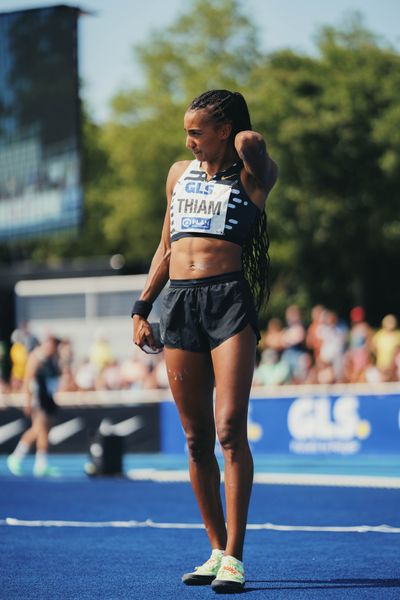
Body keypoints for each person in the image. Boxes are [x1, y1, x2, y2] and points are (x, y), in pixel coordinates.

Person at [132, 89, 278, 593]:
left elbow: (254, 142)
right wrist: (142, 305)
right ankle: (215, 550)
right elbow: (165, 245)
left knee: (230, 428)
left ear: (223, 131)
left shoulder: (252, 173)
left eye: (197, 131)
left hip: (229, 303)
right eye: (186, 132)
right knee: (195, 440)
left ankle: (236, 557)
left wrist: (238, 134)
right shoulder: (178, 174)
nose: (189, 140)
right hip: (180, 303)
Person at [7, 335, 61, 477]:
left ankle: (40, 464)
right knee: (38, 428)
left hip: (48, 399)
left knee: (45, 429)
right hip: (37, 399)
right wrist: (27, 401)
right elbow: (27, 380)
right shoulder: (36, 357)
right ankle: (16, 457)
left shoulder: (53, 359)